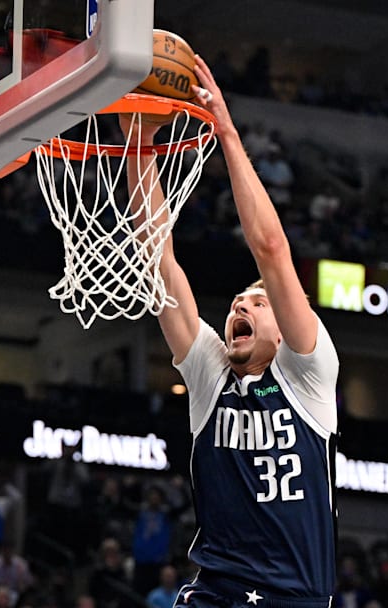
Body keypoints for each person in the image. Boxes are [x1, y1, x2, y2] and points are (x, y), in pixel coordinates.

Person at [120, 55, 339, 606]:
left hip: (295, 598)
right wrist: (137, 143)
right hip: (215, 592)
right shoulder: (209, 374)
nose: (242, 303)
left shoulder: (309, 372)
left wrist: (226, 132)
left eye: (258, 302)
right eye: (239, 301)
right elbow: (158, 257)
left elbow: (272, 251)